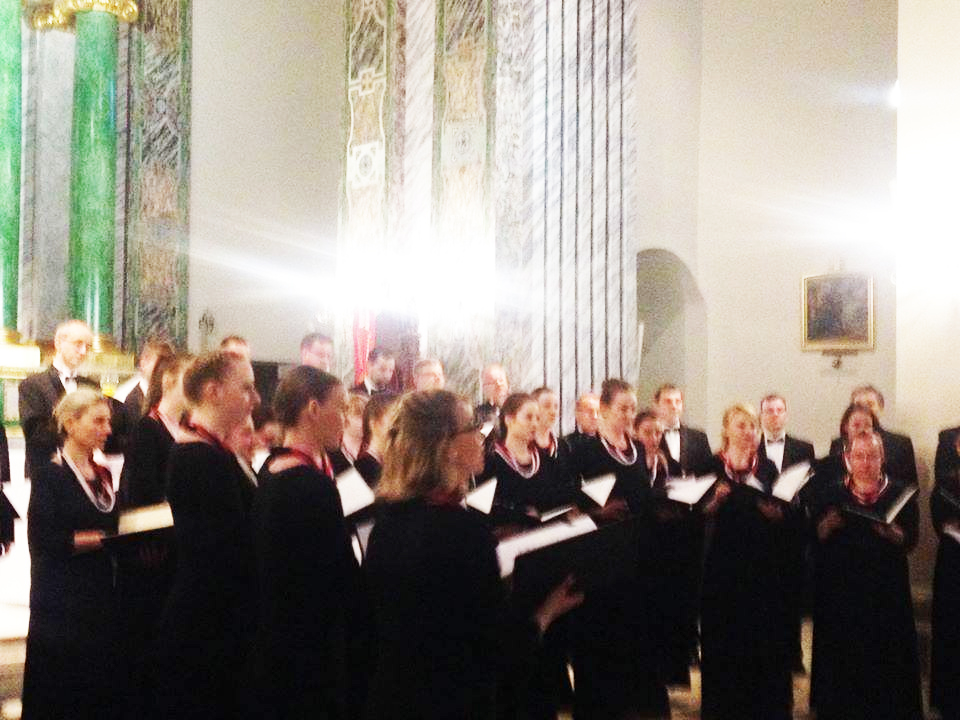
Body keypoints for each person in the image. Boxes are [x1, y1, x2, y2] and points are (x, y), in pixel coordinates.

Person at [362, 390, 583, 720]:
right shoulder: (462, 531)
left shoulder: (387, 522)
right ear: (447, 446)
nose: (482, 435)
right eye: (471, 427)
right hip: (451, 701)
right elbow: (493, 645)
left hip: (396, 697)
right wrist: (546, 613)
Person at [153, 350, 260, 719]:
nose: (254, 398)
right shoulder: (199, 458)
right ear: (214, 391)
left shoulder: (214, 453)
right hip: (207, 628)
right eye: (246, 388)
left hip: (214, 619)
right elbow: (226, 553)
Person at [251, 365, 362, 718]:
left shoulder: (272, 468)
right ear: (313, 409)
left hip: (279, 640)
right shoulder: (307, 485)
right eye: (340, 408)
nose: (345, 419)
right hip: (308, 647)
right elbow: (337, 574)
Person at [566, 379, 668, 719]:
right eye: (622, 408)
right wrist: (598, 512)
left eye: (632, 408)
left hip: (637, 555)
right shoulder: (584, 451)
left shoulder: (637, 448)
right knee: (599, 639)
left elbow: (642, 496)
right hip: (601, 557)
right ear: (604, 410)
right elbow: (568, 502)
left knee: (632, 637)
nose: (628, 415)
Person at [21, 388, 122, 719]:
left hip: (97, 596)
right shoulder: (50, 474)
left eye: (108, 422)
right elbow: (44, 540)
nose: (107, 430)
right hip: (62, 603)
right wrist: (101, 539)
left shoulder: (102, 474)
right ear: (70, 423)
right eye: (98, 421)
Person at [809, 432, 922, 720]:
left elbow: (911, 540)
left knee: (887, 655)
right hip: (843, 590)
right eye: (859, 456)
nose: (865, 462)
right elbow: (814, 539)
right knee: (845, 655)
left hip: (886, 591)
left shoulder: (900, 494)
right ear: (848, 459)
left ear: (882, 458)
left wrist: (894, 534)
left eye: (872, 456)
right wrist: (825, 526)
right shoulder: (832, 493)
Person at [699, 403, 797, 720]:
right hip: (722, 568)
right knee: (723, 638)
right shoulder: (710, 465)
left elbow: (786, 515)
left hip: (762, 569)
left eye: (753, 426)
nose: (749, 431)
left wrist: (776, 515)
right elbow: (695, 516)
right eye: (741, 425)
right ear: (726, 429)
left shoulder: (767, 468)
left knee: (761, 638)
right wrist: (714, 502)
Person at [635, 408, 695, 686]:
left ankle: (669, 671)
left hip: (668, 545)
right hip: (642, 543)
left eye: (658, 432)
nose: (654, 437)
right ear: (635, 433)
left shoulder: (668, 462)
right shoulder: (632, 463)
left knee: (668, 608)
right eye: (648, 432)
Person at [757, 392, 815, 673]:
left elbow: (811, 487)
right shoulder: (752, 446)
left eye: (779, 410)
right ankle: (765, 652)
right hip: (760, 530)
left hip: (792, 530)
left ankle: (793, 654)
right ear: (761, 415)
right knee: (763, 595)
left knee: (792, 593)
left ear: (786, 414)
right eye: (769, 410)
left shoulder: (804, 448)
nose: (775, 415)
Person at [480, 393, 577, 530]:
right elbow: (484, 507)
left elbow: (559, 496)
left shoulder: (543, 458)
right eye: (528, 417)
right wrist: (518, 516)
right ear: (509, 420)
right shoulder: (492, 460)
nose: (534, 423)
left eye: (537, 418)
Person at [19, 320, 98, 478]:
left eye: (88, 346)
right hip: (46, 471)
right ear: (59, 343)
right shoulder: (33, 385)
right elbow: (34, 432)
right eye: (78, 344)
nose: (83, 351)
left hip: (85, 470)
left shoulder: (92, 386)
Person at [119, 353, 192, 508]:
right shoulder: (147, 429)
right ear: (168, 381)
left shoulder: (189, 428)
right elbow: (142, 490)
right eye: (190, 381)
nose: (196, 388)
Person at [929, 424, 960, 719]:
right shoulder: (949, 438)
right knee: (951, 625)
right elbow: (939, 491)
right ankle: (949, 700)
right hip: (954, 553)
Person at [827, 385, 918, 486]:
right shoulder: (838, 445)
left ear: (880, 408)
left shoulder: (900, 444)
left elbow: (911, 486)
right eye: (859, 405)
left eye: (870, 404)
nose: (865, 409)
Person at [655, 383, 713, 476]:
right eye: (668, 402)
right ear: (657, 406)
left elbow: (709, 473)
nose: (674, 406)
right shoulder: (650, 438)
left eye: (678, 401)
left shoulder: (699, 438)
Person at [114, 336, 174, 423]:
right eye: (161, 362)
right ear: (144, 362)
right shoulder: (124, 398)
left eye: (169, 362)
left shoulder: (170, 395)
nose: (165, 368)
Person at [354, 392, 398, 488]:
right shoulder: (362, 469)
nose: (399, 427)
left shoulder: (394, 463)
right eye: (394, 421)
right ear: (374, 424)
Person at [474, 363, 510, 429]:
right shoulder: (478, 416)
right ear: (484, 388)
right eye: (492, 382)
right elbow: (482, 434)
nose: (498, 384)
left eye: (501, 380)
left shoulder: (519, 409)